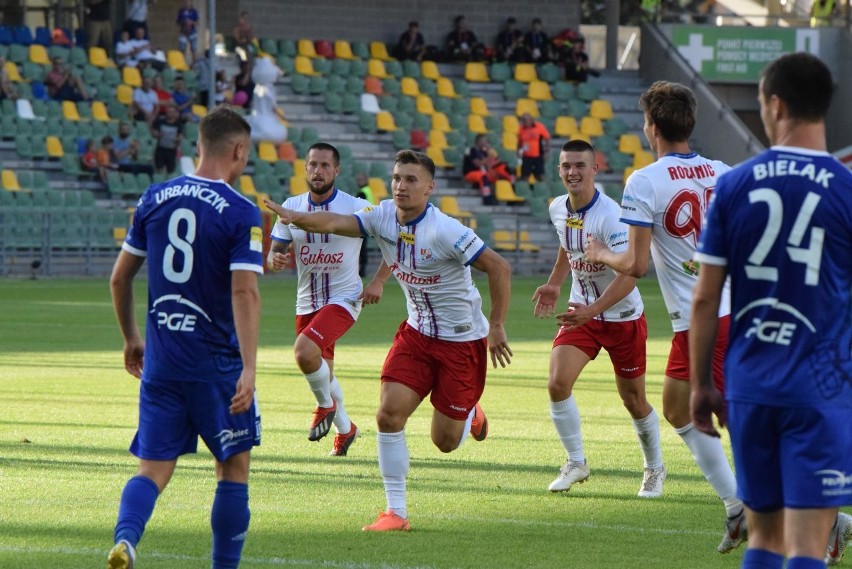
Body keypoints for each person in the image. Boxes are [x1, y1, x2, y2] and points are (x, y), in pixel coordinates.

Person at [263, 149, 513, 532]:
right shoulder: (380, 215)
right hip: (416, 334)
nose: (401, 186)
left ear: (429, 187)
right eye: (397, 178)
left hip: (462, 341)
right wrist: (296, 217)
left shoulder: (445, 229)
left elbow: (498, 266)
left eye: (411, 180)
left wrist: (496, 326)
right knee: (387, 415)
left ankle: (469, 414)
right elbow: (334, 221)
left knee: (444, 442)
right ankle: (395, 512)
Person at [690, 52, 852, 568]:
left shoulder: (734, 185)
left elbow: (704, 297)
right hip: (822, 388)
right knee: (808, 545)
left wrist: (700, 386)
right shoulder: (847, 189)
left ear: (775, 104)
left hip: (750, 384)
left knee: (763, 539)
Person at [583, 80, 745, 554]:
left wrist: (599, 252)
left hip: (704, 319)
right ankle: (737, 507)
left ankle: (820, 519)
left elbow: (634, 264)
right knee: (677, 407)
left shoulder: (645, 181)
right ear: (689, 123)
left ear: (651, 127)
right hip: (732, 309)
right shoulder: (724, 172)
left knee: (739, 424)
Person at [107, 106, 262, 569]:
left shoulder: (153, 197)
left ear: (198, 146)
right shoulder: (241, 211)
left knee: (153, 469)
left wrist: (132, 337)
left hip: (161, 361)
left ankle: (126, 540)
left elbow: (119, 279)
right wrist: (250, 368)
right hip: (215, 364)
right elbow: (244, 290)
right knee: (232, 468)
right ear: (238, 151)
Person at [532, 139, 665, 497]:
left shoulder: (611, 216)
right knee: (557, 383)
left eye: (579, 165)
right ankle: (576, 462)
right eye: (566, 166)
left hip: (622, 317)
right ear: (559, 171)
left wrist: (595, 309)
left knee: (634, 400)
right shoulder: (557, 207)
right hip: (581, 313)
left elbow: (629, 274)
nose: (572, 172)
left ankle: (654, 468)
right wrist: (554, 283)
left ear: (595, 169)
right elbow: (567, 243)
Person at [267, 143, 387, 456]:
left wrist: (378, 281)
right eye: (312, 165)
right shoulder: (290, 206)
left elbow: (395, 239)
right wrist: (275, 260)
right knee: (323, 373)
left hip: (345, 298)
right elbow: (274, 252)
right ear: (305, 169)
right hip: (306, 301)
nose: (317, 171)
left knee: (304, 352)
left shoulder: (357, 206)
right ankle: (346, 430)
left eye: (324, 165)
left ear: (336, 170)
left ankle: (324, 406)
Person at [462, 134, 513, 205]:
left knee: (500, 175)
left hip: (481, 172)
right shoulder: (472, 150)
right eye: (484, 141)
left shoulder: (483, 152)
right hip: (470, 173)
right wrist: (489, 157)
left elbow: (489, 165)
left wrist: (493, 173)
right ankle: (487, 198)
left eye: (486, 141)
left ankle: (510, 195)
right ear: (478, 142)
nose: (485, 143)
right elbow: (477, 164)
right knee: (484, 176)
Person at [517, 113, 551, 186]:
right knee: (524, 176)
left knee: (540, 176)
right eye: (522, 120)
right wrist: (518, 151)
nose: (523, 122)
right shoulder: (521, 129)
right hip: (526, 156)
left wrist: (547, 151)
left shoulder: (539, 127)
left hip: (537, 156)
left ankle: (543, 190)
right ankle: (525, 191)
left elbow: (547, 138)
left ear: (531, 120)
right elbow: (520, 142)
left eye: (525, 120)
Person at [151, 103, 184, 174]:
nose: (170, 113)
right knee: (159, 170)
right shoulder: (160, 122)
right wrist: (159, 135)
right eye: (169, 112)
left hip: (172, 150)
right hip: (161, 149)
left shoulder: (178, 124)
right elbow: (154, 132)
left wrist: (177, 139)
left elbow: (180, 136)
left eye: (172, 112)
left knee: (171, 171)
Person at [355, 172, 373, 277]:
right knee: (363, 248)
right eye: (358, 180)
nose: (358, 182)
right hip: (368, 222)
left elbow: (358, 208)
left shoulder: (362, 192)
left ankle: (360, 271)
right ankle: (362, 271)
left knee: (360, 249)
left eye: (360, 180)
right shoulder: (369, 191)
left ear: (366, 180)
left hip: (362, 223)